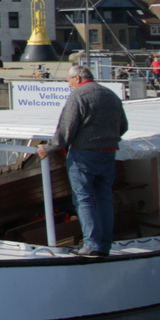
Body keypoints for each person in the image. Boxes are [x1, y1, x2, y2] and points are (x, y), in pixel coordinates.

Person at [37, 63, 128, 257]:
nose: (68, 85)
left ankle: (92, 244)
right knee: (104, 199)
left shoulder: (78, 95)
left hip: (84, 154)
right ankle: (104, 245)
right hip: (109, 153)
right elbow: (123, 126)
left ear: (77, 78)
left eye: (69, 80)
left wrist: (48, 147)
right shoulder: (110, 95)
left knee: (83, 198)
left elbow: (66, 130)